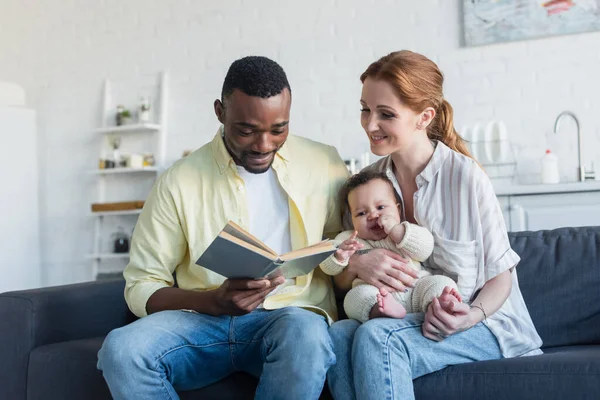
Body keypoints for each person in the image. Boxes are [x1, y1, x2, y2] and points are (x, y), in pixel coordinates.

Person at [96, 56, 355, 400]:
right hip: (201, 320)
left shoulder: (323, 162)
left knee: (307, 338)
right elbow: (142, 284)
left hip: (290, 317)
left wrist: (354, 253)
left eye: (278, 129)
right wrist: (213, 301)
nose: (264, 145)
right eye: (246, 130)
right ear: (220, 112)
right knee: (122, 350)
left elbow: (349, 239)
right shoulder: (179, 180)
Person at [327, 50, 543, 400]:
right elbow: (340, 279)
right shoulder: (369, 186)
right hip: (410, 312)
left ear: (424, 117)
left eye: (385, 114)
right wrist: (355, 263)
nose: (369, 124)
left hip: (486, 323)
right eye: (365, 109)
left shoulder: (465, 177)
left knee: (377, 338)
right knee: (338, 336)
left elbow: (501, 276)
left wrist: (469, 316)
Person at [319, 170, 462, 323]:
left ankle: (441, 305)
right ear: (351, 219)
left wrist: (397, 231)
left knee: (441, 282)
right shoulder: (348, 239)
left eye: (380, 207)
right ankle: (380, 311)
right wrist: (339, 256)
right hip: (376, 293)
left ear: (398, 209)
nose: (373, 215)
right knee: (354, 298)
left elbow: (425, 249)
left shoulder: (405, 230)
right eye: (361, 213)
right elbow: (325, 264)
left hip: (416, 287)